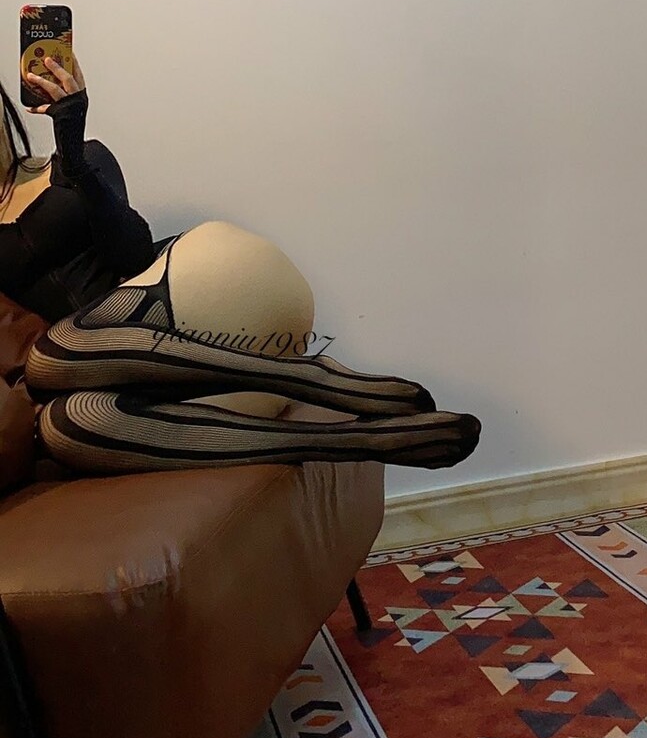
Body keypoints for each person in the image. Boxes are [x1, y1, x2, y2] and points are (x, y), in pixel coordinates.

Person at [5, 60, 480, 477]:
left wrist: (74, 158)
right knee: (67, 426)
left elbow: (131, 255)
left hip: (196, 293)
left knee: (52, 357)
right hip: (120, 367)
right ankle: (357, 442)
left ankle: (312, 378)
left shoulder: (77, 160)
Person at [0, 56, 155, 323]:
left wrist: (75, 164)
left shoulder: (84, 160)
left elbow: (136, 258)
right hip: (62, 345)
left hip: (144, 328)